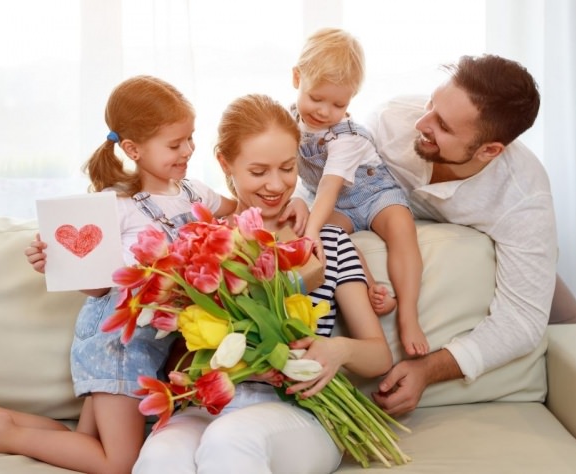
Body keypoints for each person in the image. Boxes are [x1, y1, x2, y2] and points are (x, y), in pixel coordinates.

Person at [0, 76, 306, 474]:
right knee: (118, 463)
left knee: (84, 439)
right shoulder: (116, 205)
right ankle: (6, 434)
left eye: (190, 138)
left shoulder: (193, 192)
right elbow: (97, 287)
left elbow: (246, 214)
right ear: (133, 149)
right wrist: (54, 261)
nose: (187, 150)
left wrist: (298, 206)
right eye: (175, 144)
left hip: (154, 343)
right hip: (119, 343)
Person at [132, 94, 392, 474]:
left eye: (287, 168)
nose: (276, 185)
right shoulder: (198, 245)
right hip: (213, 402)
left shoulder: (327, 243)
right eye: (258, 172)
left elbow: (379, 357)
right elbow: (179, 354)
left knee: (232, 439)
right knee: (162, 453)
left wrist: (337, 350)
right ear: (225, 163)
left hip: (300, 410)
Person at [366, 54, 558, 416]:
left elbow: (522, 321)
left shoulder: (524, 196)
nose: (422, 123)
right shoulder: (390, 123)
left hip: (523, 253)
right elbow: (322, 186)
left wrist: (427, 370)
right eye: (431, 105)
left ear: (489, 151)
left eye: (443, 125)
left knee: (569, 322)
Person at [291, 27, 428, 356]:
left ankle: (408, 313)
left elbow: (328, 186)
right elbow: (288, 169)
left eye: (339, 103)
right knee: (330, 238)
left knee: (400, 228)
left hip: (374, 193)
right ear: (297, 79)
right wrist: (301, 205)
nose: (325, 111)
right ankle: (372, 288)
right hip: (338, 205)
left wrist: (309, 229)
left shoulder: (346, 137)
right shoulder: (287, 123)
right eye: (316, 98)